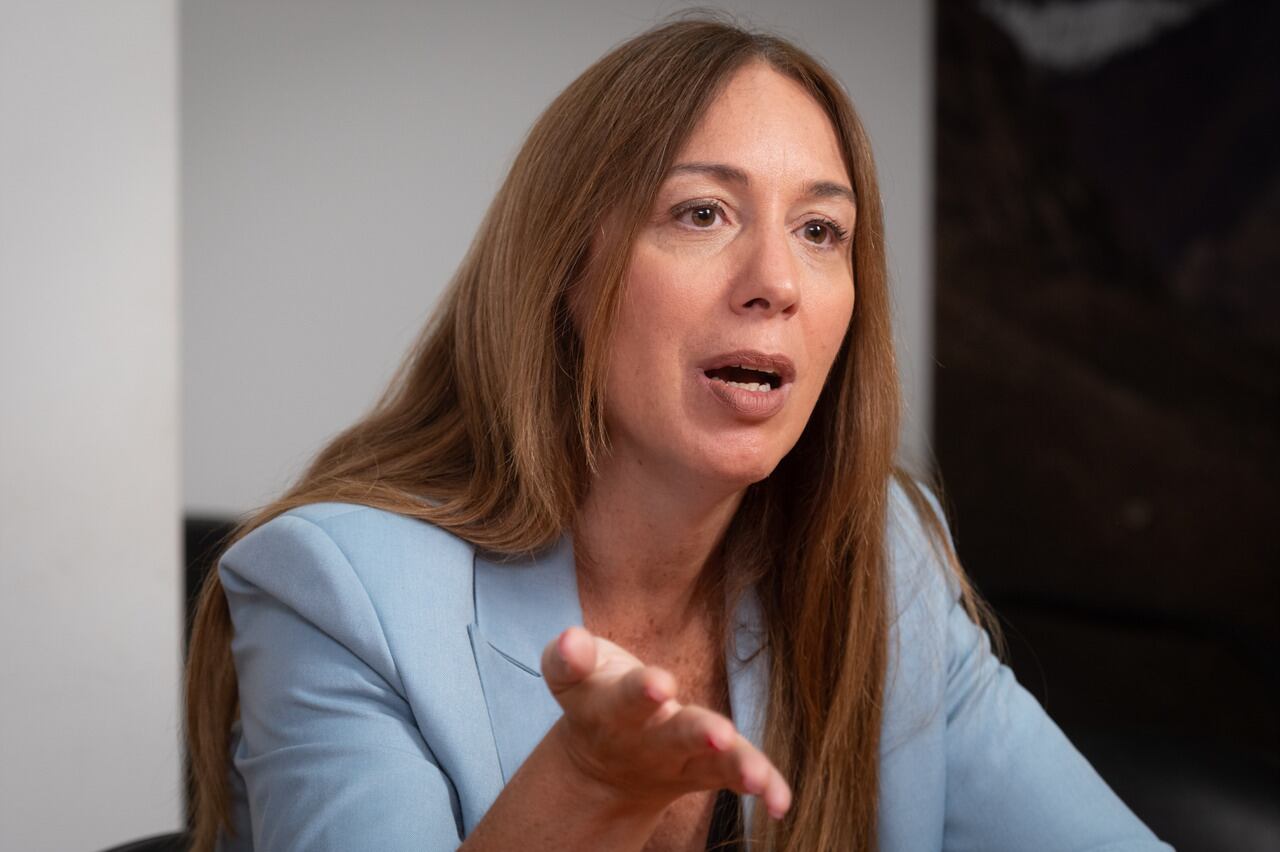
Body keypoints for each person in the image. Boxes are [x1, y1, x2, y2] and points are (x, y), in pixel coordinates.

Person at [184, 15, 1173, 852]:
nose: (776, 283)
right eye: (700, 214)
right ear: (565, 271)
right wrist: (583, 787)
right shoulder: (338, 591)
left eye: (819, 231)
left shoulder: (880, 555)